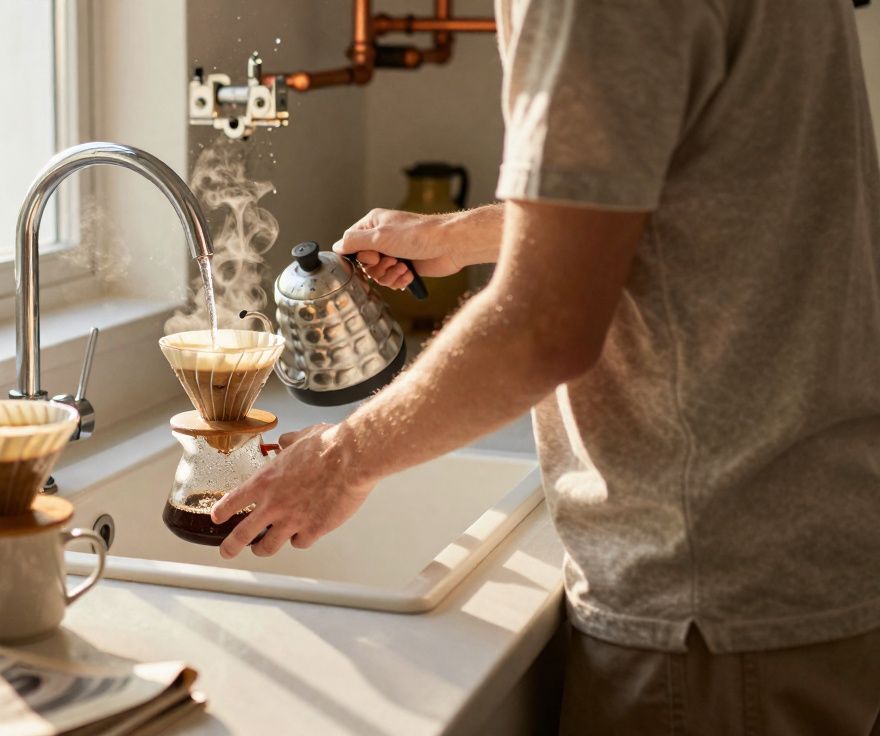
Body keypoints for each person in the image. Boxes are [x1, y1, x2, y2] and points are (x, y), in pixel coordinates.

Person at [211, 0, 880, 732]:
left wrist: (341, 460)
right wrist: (465, 234)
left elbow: (545, 326)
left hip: (706, 603)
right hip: (794, 553)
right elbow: (711, 191)